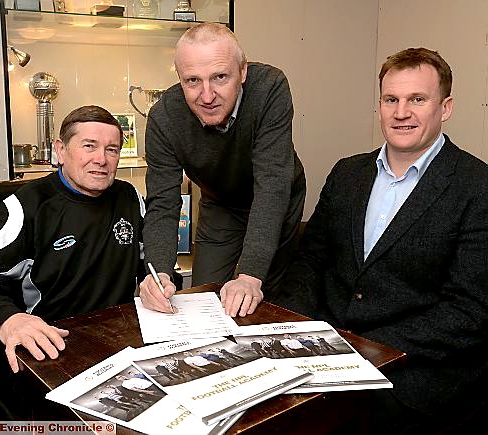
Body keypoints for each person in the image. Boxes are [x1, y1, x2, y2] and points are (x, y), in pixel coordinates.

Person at [276, 47, 488, 433]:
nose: (401, 112)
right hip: (325, 353)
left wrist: (361, 349)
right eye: (391, 99)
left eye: (417, 100)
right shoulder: (347, 173)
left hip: (415, 375)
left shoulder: (477, 186)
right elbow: (310, 261)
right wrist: (288, 330)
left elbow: (469, 311)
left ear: (446, 107)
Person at [0, 105, 146, 420]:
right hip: (55, 349)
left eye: (112, 150)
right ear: (61, 150)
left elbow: (147, 263)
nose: (102, 160)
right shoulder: (27, 207)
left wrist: (156, 279)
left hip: (120, 342)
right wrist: (10, 320)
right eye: (89, 146)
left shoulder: (130, 197)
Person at [139, 22, 306, 318]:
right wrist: (159, 273)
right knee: (205, 297)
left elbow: (271, 187)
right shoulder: (164, 117)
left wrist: (249, 276)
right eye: (192, 81)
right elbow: (163, 203)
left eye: (220, 77)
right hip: (220, 202)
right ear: (179, 79)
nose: (207, 95)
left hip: (275, 194)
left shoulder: (269, 88)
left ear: (242, 72)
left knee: (257, 299)